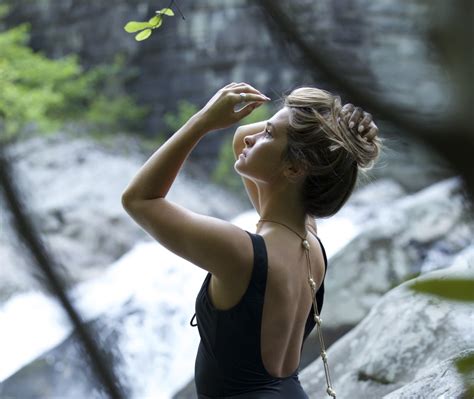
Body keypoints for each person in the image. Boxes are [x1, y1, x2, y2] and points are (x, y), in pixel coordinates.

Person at [122, 82, 382, 398]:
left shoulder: (240, 251)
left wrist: (202, 121)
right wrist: (323, 121)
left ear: (295, 168)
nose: (250, 136)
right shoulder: (310, 243)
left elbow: (139, 199)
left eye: (268, 135)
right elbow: (240, 140)